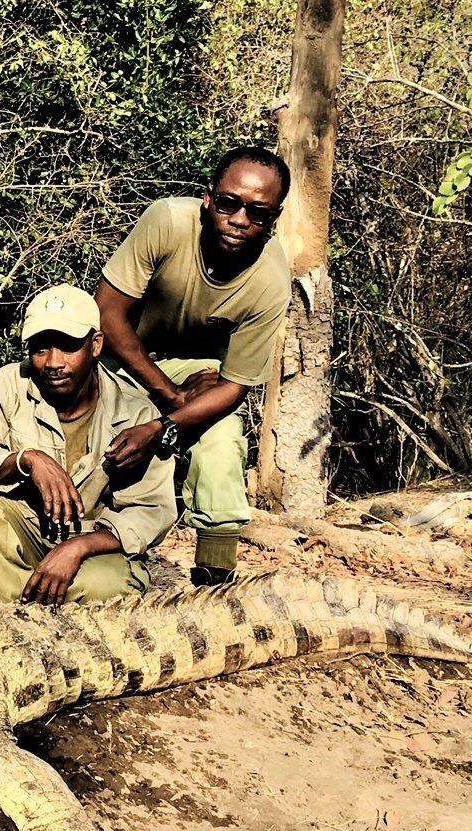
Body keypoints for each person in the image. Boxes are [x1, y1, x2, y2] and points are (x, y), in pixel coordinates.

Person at [96, 147, 293, 585]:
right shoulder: (166, 222)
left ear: (274, 218)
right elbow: (108, 315)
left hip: (199, 372)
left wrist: (162, 427)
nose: (240, 220)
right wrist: (169, 396)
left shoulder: (271, 281)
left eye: (259, 213)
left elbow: (235, 385)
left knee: (223, 442)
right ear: (208, 198)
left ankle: (216, 574)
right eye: (229, 204)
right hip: (122, 353)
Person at [0, 285, 176, 604]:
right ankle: (12, 615)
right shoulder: (6, 385)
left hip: (93, 544)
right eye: (41, 348)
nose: (53, 362)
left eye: (69, 347)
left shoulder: (134, 412)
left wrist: (76, 548)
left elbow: (150, 511)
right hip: (25, 529)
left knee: (108, 584)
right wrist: (27, 459)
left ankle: (21, 600)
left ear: (95, 345)